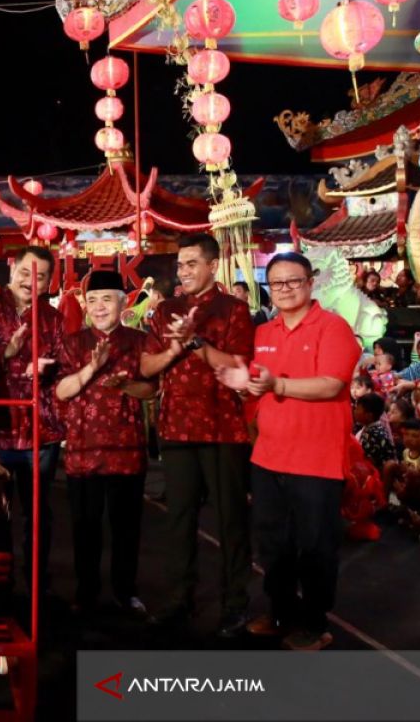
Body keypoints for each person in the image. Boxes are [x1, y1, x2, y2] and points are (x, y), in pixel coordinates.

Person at [216, 251, 362, 650]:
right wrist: (241, 381)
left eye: (292, 281)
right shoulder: (264, 333)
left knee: (315, 547)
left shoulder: (333, 328)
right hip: (268, 457)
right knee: (273, 545)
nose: (284, 289)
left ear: (310, 283)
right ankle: (279, 613)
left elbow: (331, 384)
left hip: (316, 459)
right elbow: (256, 387)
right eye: (276, 283)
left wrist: (276, 386)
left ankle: (316, 624)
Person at [139, 233, 255, 637]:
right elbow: (147, 367)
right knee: (179, 521)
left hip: (223, 426)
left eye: (191, 264)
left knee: (230, 522)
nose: (183, 271)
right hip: (175, 425)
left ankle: (235, 605)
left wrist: (195, 343)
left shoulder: (234, 310)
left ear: (212, 265)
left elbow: (239, 363)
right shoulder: (165, 310)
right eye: (180, 265)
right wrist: (174, 350)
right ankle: (179, 600)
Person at [0, 246, 65, 599]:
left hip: (41, 430)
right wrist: (6, 354)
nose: (30, 281)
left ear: (48, 281)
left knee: (39, 516)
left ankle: (38, 584)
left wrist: (47, 371)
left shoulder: (53, 319)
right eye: (25, 272)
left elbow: (62, 369)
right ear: (12, 271)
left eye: (40, 276)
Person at [55, 270, 156, 616]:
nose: (99, 308)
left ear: (123, 302)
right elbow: (60, 391)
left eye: (106, 299)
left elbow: (151, 389)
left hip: (127, 452)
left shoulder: (140, 342)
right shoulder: (73, 343)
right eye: (93, 300)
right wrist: (90, 369)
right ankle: (86, 593)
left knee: (127, 529)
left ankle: (125, 592)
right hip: (83, 454)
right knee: (85, 530)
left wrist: (125, 386)